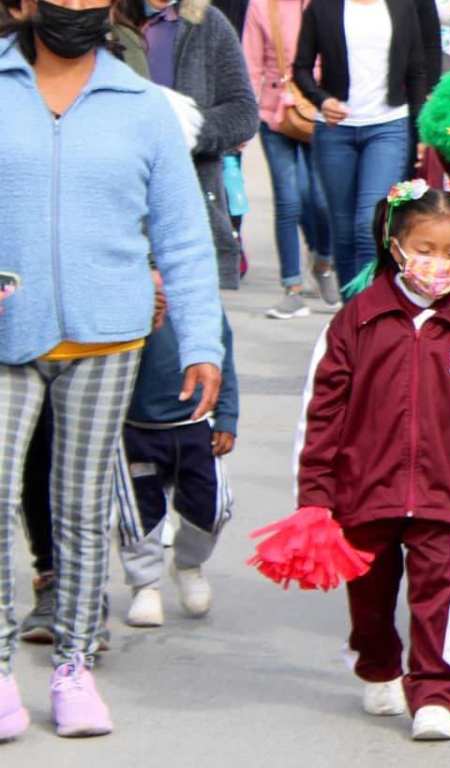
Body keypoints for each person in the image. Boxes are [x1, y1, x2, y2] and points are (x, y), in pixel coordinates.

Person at [0, 0, 226, 738]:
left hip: (109, 336)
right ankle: (0, 670)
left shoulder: (142, 106)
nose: (74, 7)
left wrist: (202, 344)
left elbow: (184, 232)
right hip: (7, 332)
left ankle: (73, 666)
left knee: (80, 506)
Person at [295, 183, 450, 742]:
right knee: (370, 596)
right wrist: (315, 497)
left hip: (443, 490)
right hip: (365, 490)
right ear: (397, 244)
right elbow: (323, 413)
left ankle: (433, 691)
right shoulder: (357, 320)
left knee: (439, 591)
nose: (439, 264)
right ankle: (378, 664)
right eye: (426, 250)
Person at [293, 0, 440, 282]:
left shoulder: (402, 7)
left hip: (387, 127)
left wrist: (422, 130)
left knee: (367, 225)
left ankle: (368, 309)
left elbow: (417, 69)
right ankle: (351, 312)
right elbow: (301, 68)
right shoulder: (322, 8)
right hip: (336, 130)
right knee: (343, 228)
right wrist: (322, 100)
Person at [119, 308, 240, 628]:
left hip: (196, 423)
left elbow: (223, 356)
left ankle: (188, 564)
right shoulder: (126, 293)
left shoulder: (200, 298)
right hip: (135, 427)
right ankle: (145, 585)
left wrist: (227, 416)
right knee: (138, 514)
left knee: (213, 508)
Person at [128, 0, 258, 291]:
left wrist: (184, 131)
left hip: (188, 223)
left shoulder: (206, 21)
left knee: (202, 334)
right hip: (117, 226)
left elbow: (243, 113)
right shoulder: (104, 21)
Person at [243, 0, 336, 318]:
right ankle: (292, 287)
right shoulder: (262, 6)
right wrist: (245, 118)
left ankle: (323, 261)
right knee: (288, 199)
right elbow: (251, 64)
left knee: (321, 200)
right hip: (275, 113)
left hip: (320, 110)